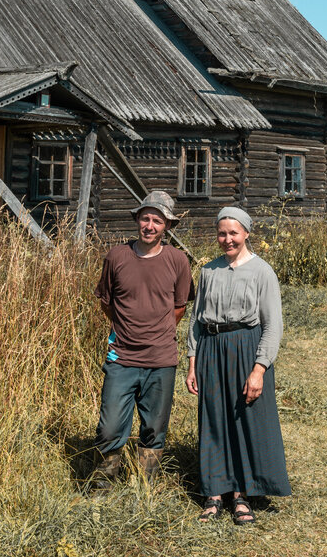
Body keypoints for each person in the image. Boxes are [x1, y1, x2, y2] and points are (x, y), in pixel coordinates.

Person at [186, 206, 291, 524]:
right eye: (222, 233)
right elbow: (194, 321)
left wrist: (259, 369)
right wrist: (192, 363)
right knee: (214, 419)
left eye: (233, 232)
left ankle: (241, 494)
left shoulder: (262, 271)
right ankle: (214, 492)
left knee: (244, 419)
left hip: (247, 348)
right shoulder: (208, 272)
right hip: (211, 349)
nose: (227, 239)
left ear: (246, 233)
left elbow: (273, 326)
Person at [88, 190, 193, 490]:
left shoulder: (178, 260)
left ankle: (145, 486)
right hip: (121, 357)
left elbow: (180, 306)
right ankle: (103, 484)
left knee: (154, 427)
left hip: (161, 360)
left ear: (167, 227)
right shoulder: (117, 256)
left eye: (157, 221)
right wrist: (126, 328)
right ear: (137, 220)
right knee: (109, 427)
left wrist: (157, 333)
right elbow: (106, 301)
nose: (149, 225)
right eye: (145, 218)